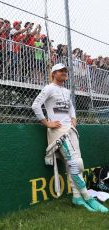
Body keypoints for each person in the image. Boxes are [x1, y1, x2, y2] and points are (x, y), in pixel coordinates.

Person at [32, 63, 109, 213]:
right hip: (58, 132)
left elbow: (71, 107)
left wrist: (74, 119)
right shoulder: (48, 88)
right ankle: (87, 197)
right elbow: (35, 105)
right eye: (61, 71)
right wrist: (47, 123)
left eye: (65, 71)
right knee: (75, 163)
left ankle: (77, 198)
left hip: (71, 130)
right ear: (54, 73)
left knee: (75, 164)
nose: (64, 73)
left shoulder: (67, 91)